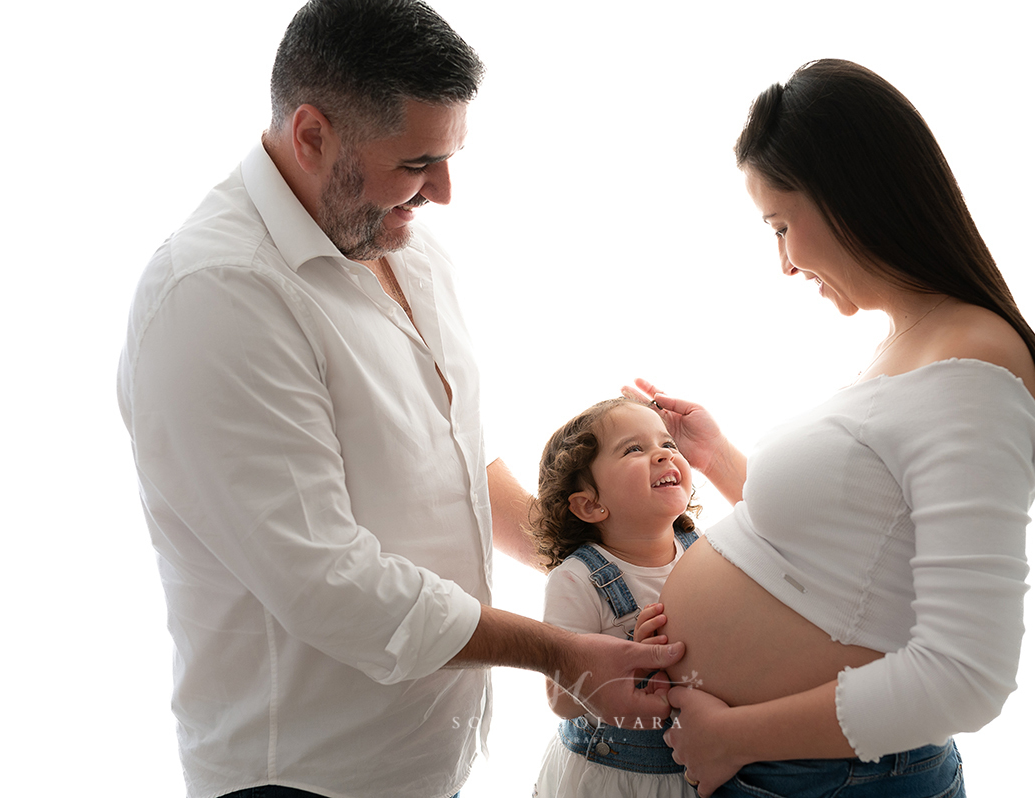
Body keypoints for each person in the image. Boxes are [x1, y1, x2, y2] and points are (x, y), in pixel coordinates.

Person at [116, 3, 680, 798]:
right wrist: (561, 650)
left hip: (424, 760)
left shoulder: (402, 245)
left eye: (449, 156)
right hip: (305, 777)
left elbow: (450, 457)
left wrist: (611, 550)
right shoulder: (215, 296)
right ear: (312, 134)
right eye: (419, 161)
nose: (444, 192)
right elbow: (326, 579)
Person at [627, 59, 1035, 797]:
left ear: (849, 196)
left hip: (830, 775)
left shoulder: (974, 369)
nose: (785, 265)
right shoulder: (914, 344)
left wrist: (733, 735)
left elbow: (968, 676)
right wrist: (722, 460)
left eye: (781, 226)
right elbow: (855, 550)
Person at [527, 398, 701, 798]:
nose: (662, 454)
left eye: (668, 444)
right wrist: (628, 664)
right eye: (634, 449)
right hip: (613, 776)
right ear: (590, 504)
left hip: (693, 769)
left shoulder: (703, 551)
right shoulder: (577, 580)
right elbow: (561, 701)